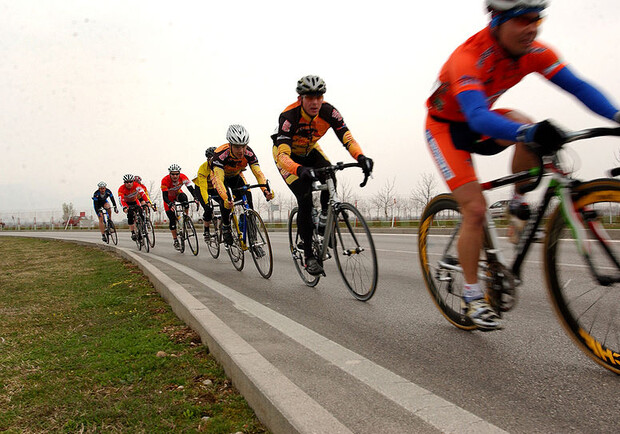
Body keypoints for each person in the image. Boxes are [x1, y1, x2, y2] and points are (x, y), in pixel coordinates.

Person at [424, 0, 620, 330]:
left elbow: (579, 86)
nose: (532, 29)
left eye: (537, 20)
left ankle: (518, 204)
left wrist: (616, 115)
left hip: (483, 122)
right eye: (522, 20)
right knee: (475, 209)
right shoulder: (468, 57)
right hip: (447, 129)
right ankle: (472, 297)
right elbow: (476, 115)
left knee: (528, 126)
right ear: (497, 20)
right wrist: (527, 133)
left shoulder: (535, 52)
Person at [272, 75, 374, 276]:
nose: (315, 102)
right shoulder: (289, 117)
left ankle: (325, 220)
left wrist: (361, 157)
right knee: (305, 197)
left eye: (319, 97)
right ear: (300, 98)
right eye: (310, 97)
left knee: (330, 175)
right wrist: (299, 170)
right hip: (287, 157)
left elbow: (347, 137)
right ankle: (309, 256)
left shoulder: (329, 112)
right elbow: (283, 156)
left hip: (310, 150)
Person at [211, 125, 274, 247]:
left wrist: (265, 190)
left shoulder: (249, 153)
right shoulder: (220, 154)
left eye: (244, 146)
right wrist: (226, 199)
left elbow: (258, 173)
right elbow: (219, 180)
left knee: (249, 201)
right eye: (237, 147)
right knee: (226, 201)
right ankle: (226, 226)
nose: (241, 150)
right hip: (221, 178)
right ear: (230, 145)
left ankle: (253, 239)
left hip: (236, 177)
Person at [161, 164, 198, 250]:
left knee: (184, 199)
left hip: (177, 194)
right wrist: (170, 204)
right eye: (173, 174)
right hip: (168, 199)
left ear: (179, 173)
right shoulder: (165, 180)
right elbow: (164, 196)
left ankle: (186, 218)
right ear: (170, 174)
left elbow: (191, 188)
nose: (175, 176)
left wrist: (196, 197)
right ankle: (175, 240)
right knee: (172, 219)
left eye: (177, 174)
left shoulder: (183, 177)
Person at [193, 147, 218, 241]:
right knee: (208, 208)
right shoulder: (203, 169)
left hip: (214, 187)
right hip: (201, 188)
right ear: (208, 159)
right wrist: (207, 202)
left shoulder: (221, 165)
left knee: (225, 202)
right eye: (212, 159)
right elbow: (203, 188)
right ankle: (206, 230)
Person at [117, 174, 149, 241]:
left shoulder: (136, 185)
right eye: (127, 182)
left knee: (140, 211)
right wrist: (124, 208)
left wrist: (147, 202)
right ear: (124, 183)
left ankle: (142, 227)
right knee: (130, 215)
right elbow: (121, 200)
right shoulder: (121, 189)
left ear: (133, 182)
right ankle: (133, 232)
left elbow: (143, 193)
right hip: (127, 203)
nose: (129, 184)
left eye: (130, 182)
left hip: (135, 201)